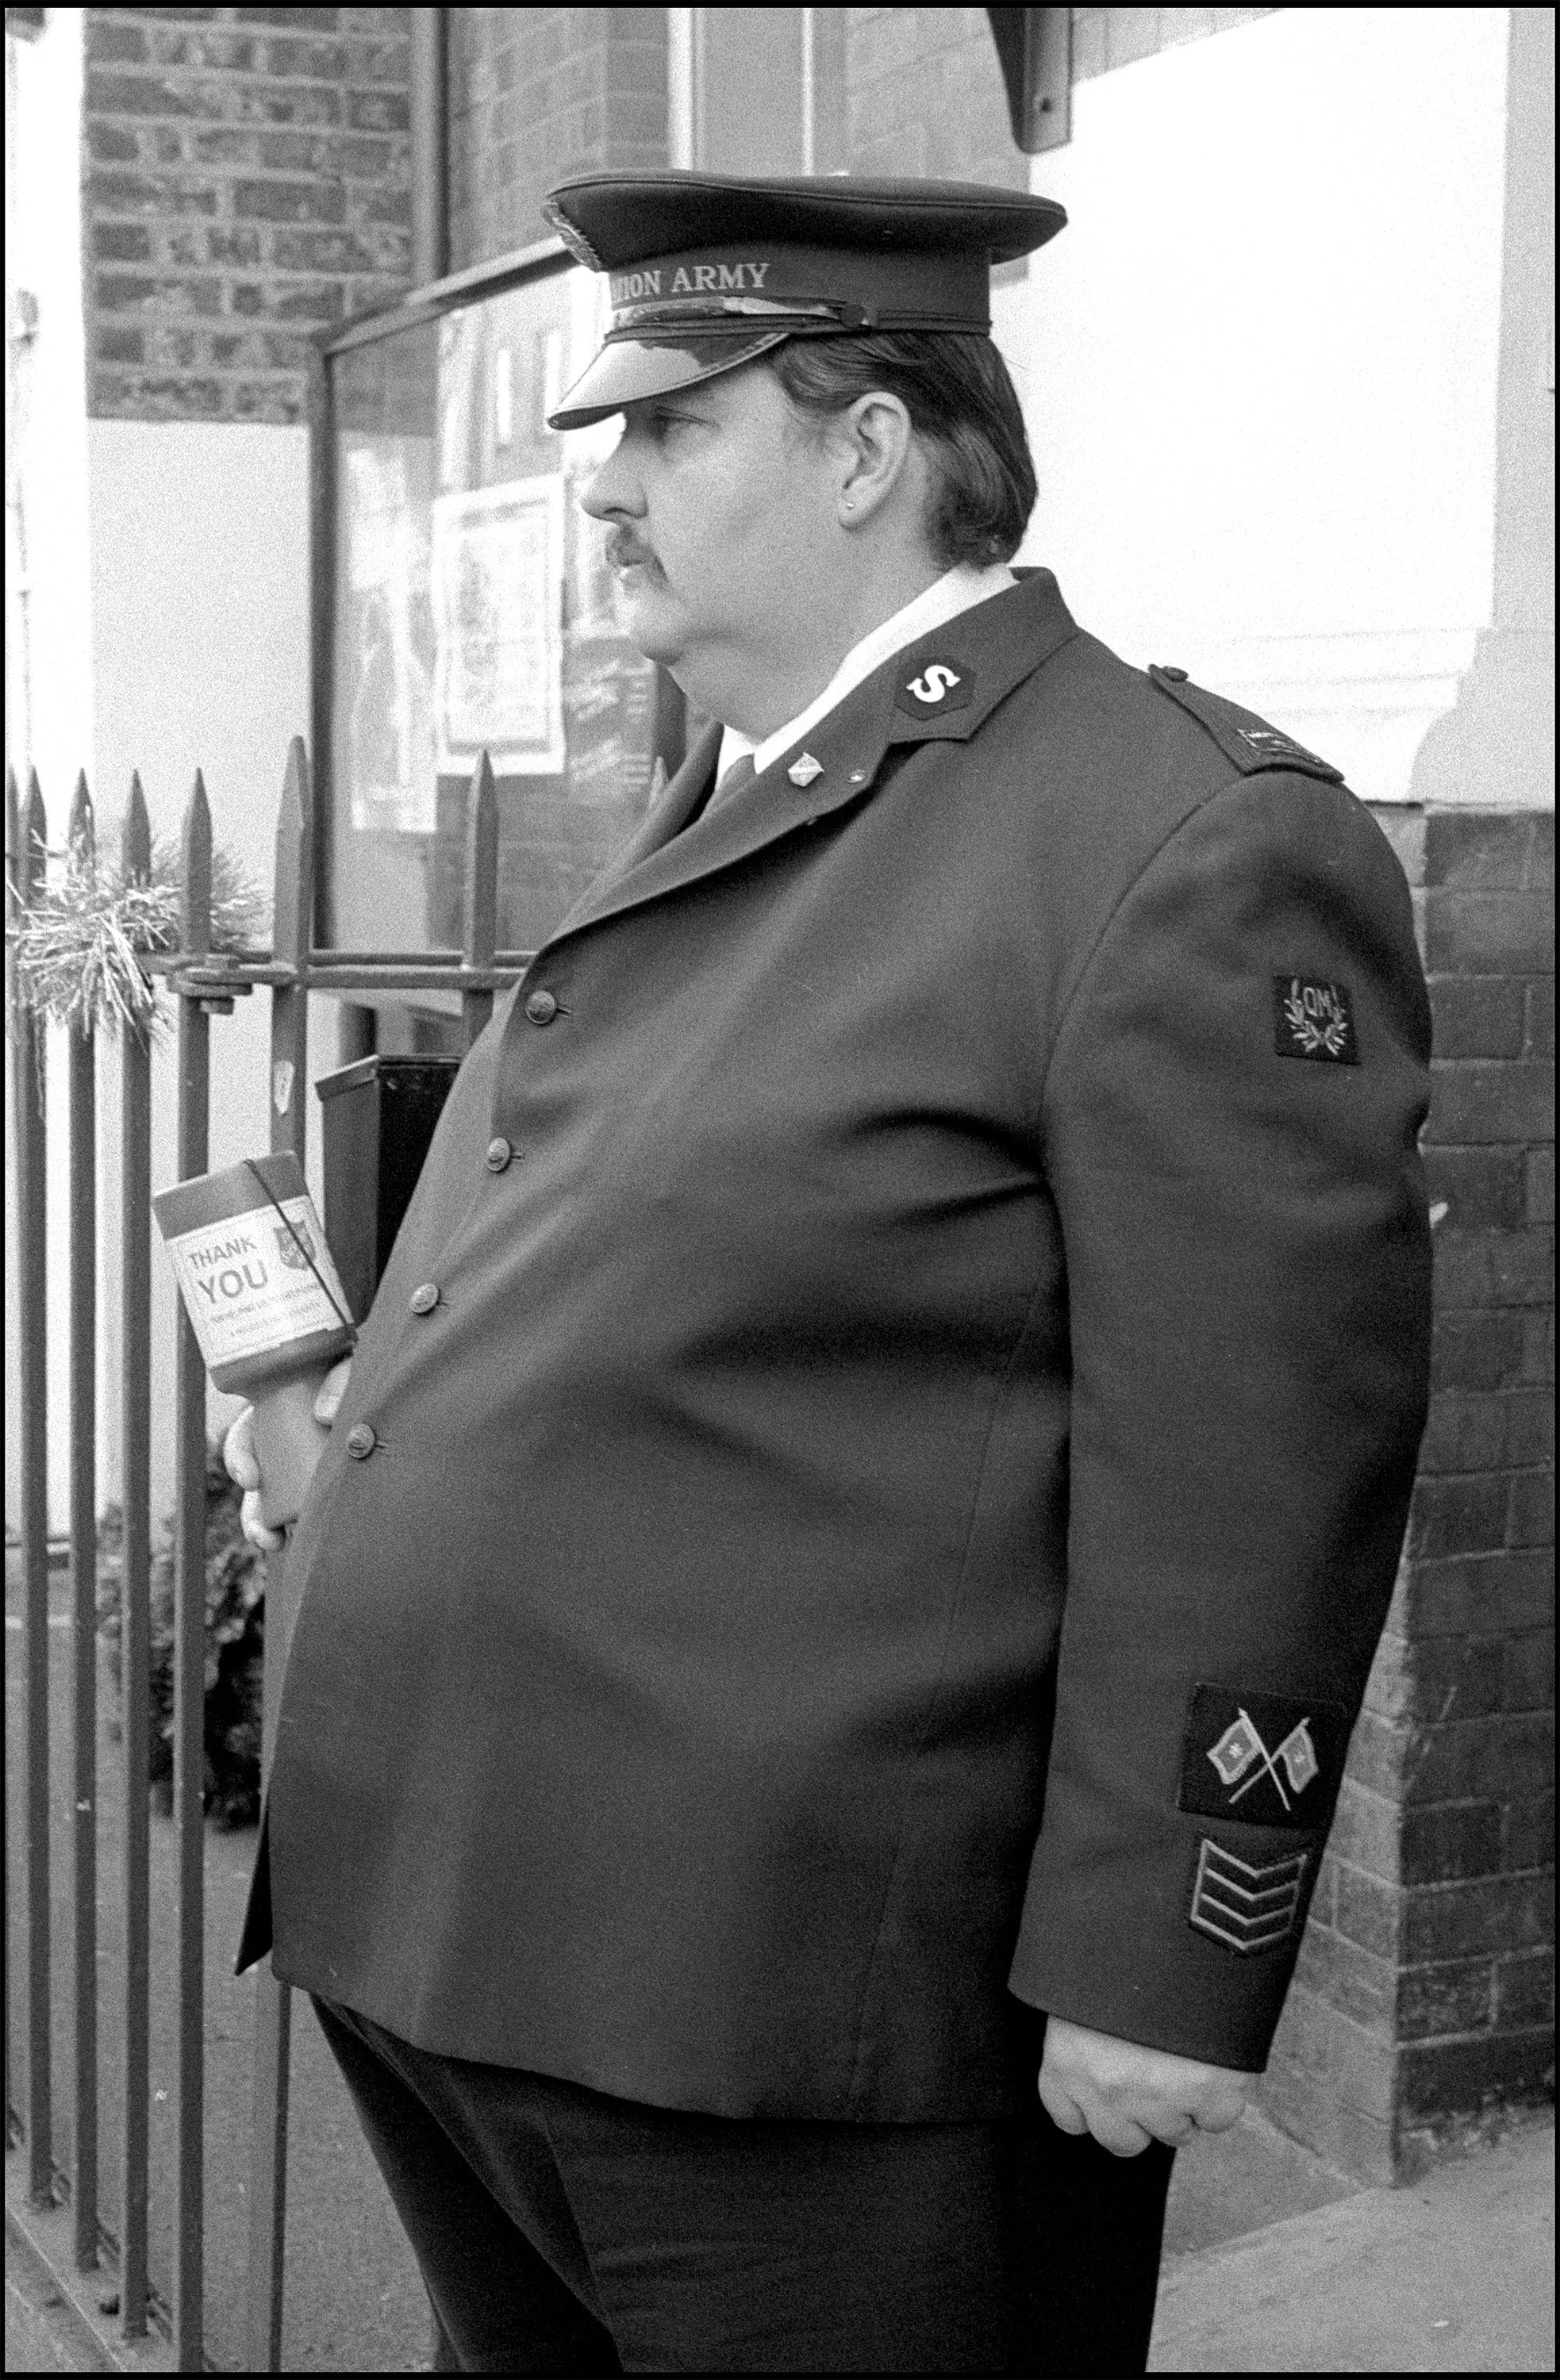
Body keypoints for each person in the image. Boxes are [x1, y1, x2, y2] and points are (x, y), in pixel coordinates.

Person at [226, 171, 1432, 2374]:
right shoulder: (749, 790)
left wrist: (1169, 1948)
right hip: (471, 1938)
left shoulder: (1164, 838)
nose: (605, 495)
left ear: (867, 449)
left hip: (784, 2027)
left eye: (672, 431)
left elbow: (1256, 1454)